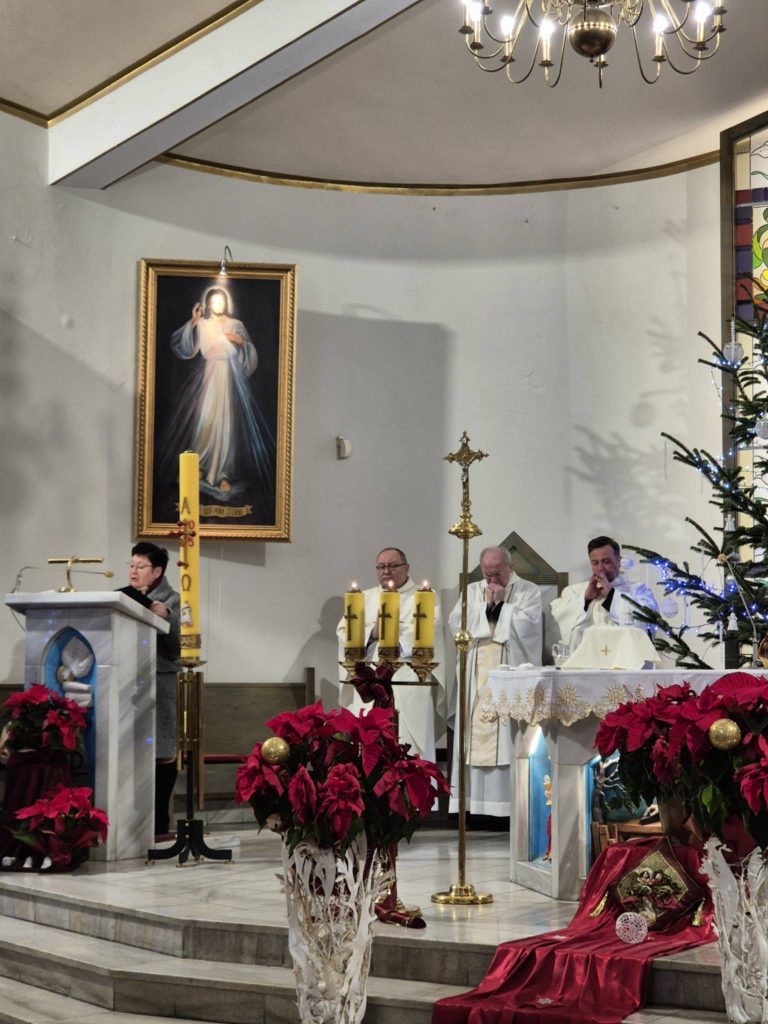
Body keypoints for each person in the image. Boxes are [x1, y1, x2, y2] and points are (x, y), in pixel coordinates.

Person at [448, 546, 542, 818]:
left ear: (510, 568)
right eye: (487, 573)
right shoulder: (471, 591)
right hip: (476, 678)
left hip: (510, 678)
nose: (491, 580)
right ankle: (474, 806)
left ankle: (511, 807)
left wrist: (501, 606)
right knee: (474, 734)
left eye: (498, 573)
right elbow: (457, 625)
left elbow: (530, 627)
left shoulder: (528, 590)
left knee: (507, 737)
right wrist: (486, 607)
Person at [165, 287, 275, 516]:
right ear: (208, 304)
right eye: (213, 301)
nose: (217, 305)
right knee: (206, 420)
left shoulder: (236, 324)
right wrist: (193, 321)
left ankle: (224, 472)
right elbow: (185, 347)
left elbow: (250, 353)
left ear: (225, 302)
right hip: (210, 376)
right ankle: (202, 465)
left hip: (228, 378)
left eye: (220, 301)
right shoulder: (203, 324)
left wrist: (240, 342)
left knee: (226, 424)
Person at [336, 547, 446, 762]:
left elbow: (432, 631)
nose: (386, 571)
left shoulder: (425, 596)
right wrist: (371, 634)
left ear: (406, 568)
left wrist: (396, 634)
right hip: (370, 681)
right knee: (370, 749)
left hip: (409, 681)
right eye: (381, 567)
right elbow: (344, 632)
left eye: (392, 566)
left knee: (411, 747)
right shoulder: (363, 598)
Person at [119, 543, 180, 839]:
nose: (134, 571)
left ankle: (159, 821)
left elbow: (179, 649)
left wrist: (166, 617)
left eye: (140, 566)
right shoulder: (121, 598)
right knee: (130, 752)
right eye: (131, 565)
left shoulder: (173, 600)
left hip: (160, 682)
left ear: (157, 572)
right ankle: (128, 819)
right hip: (125, 682)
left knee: (162, 753)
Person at [550, 535, 658, 652]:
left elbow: (644, 625)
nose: (600, 568)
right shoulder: (575, 591)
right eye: (595, 563)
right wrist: (585, 599)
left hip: (623, 659)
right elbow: (561, 621)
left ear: (618, 561)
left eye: (606, 561)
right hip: (586, 659)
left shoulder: (639, 590)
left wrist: (611, 595)